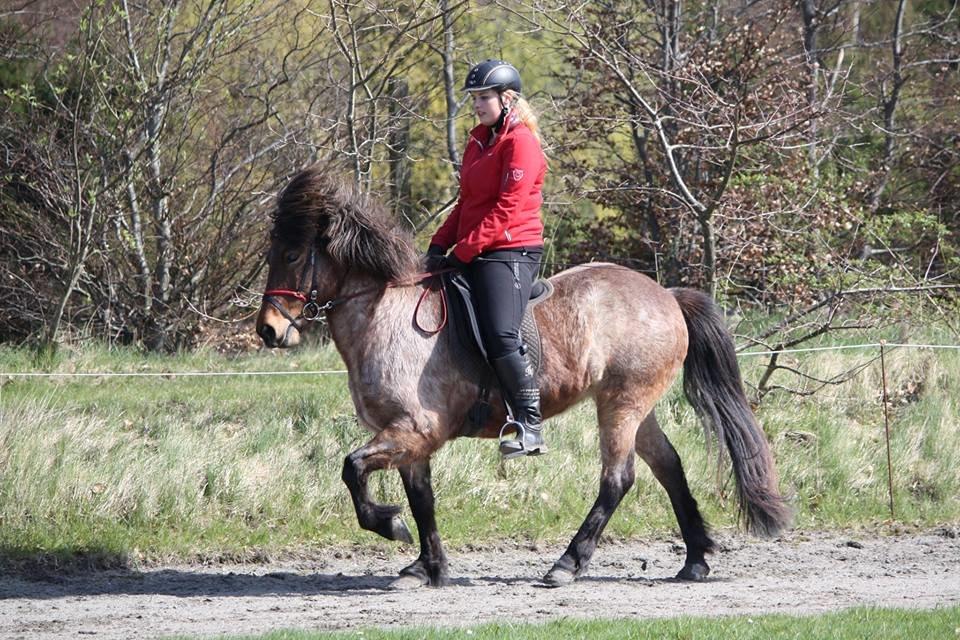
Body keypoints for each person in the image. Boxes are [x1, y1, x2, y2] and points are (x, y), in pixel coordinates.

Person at [425, 59, 547, 459]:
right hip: (478, 245)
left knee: (500, 333)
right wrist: (439, 244)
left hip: (511, 251)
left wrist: (465, 250)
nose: (476, 105)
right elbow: (468, 204)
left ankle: (529, 424)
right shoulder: (478, 140)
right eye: (474, 98)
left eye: (483, 98)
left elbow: (506, 210)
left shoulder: (521, 143)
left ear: (507, 98)